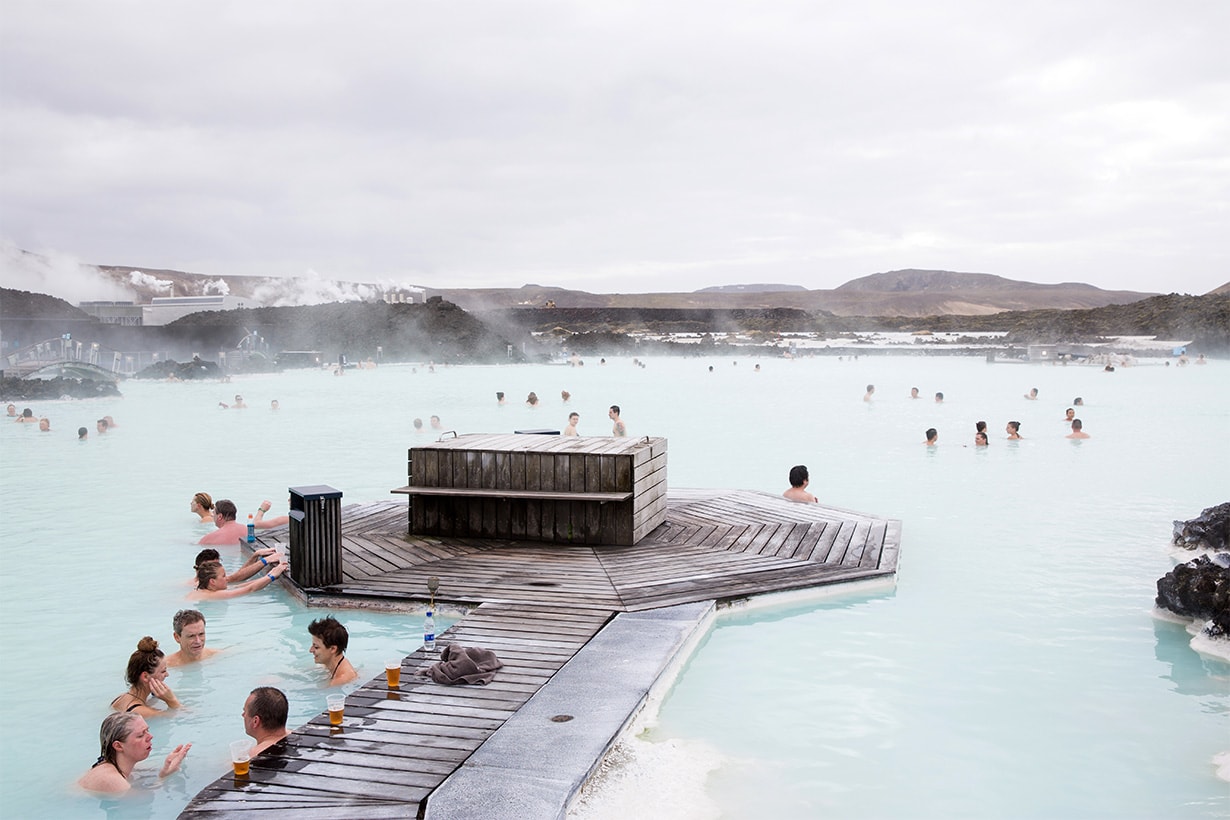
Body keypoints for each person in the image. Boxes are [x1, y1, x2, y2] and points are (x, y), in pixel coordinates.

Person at [77, 713, 190, 794]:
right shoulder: (111, 779)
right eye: (141, 735)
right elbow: (140, 800)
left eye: (147, 730)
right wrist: (163, 778)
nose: (150, 737)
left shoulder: (123, 766)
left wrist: (170, 766)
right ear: (118, 746)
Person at [111, 637, 181, 718]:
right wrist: (172, 701)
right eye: (163, 671)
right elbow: (182, 716)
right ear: (145, 676)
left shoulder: (121, 698)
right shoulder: (140, 712)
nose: (167, 674)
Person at [191, 558, 287, 600]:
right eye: (223, 576)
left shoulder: (205, 590)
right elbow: (250, 589)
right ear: (212, 581)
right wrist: (272, 576)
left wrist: (269, 575)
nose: (226, 579)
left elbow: (240, 586)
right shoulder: (214, 595)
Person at [190, 547, 280, 586]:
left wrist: (255, 556)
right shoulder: (199, 584)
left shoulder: (217, 580)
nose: (216, 568)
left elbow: (238, 575)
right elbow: (236, 578)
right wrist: (266, 561)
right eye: (213, 566)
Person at [308, 616, 358, 686]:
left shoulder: (340, 680)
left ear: (333, 649)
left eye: (316, 647)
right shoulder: (329, 666)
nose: (310, 650)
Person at [242, 687, 290, 756]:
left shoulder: (254, 755)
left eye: (245, 711)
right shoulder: (295, 734)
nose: (243, 715)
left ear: (255, 721)